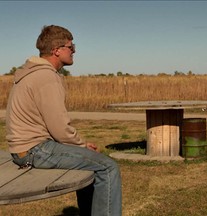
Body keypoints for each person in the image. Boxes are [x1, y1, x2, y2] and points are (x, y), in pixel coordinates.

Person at [5, 25, 122, 216]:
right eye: (71, 46)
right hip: (35, 149)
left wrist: (80, 147)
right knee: (108, 167)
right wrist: (82, 146)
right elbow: (59, 127)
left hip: (25, 149)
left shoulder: (32, 72)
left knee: (91, 163)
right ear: (56, 50)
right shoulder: (46, 77)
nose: (74, 51)